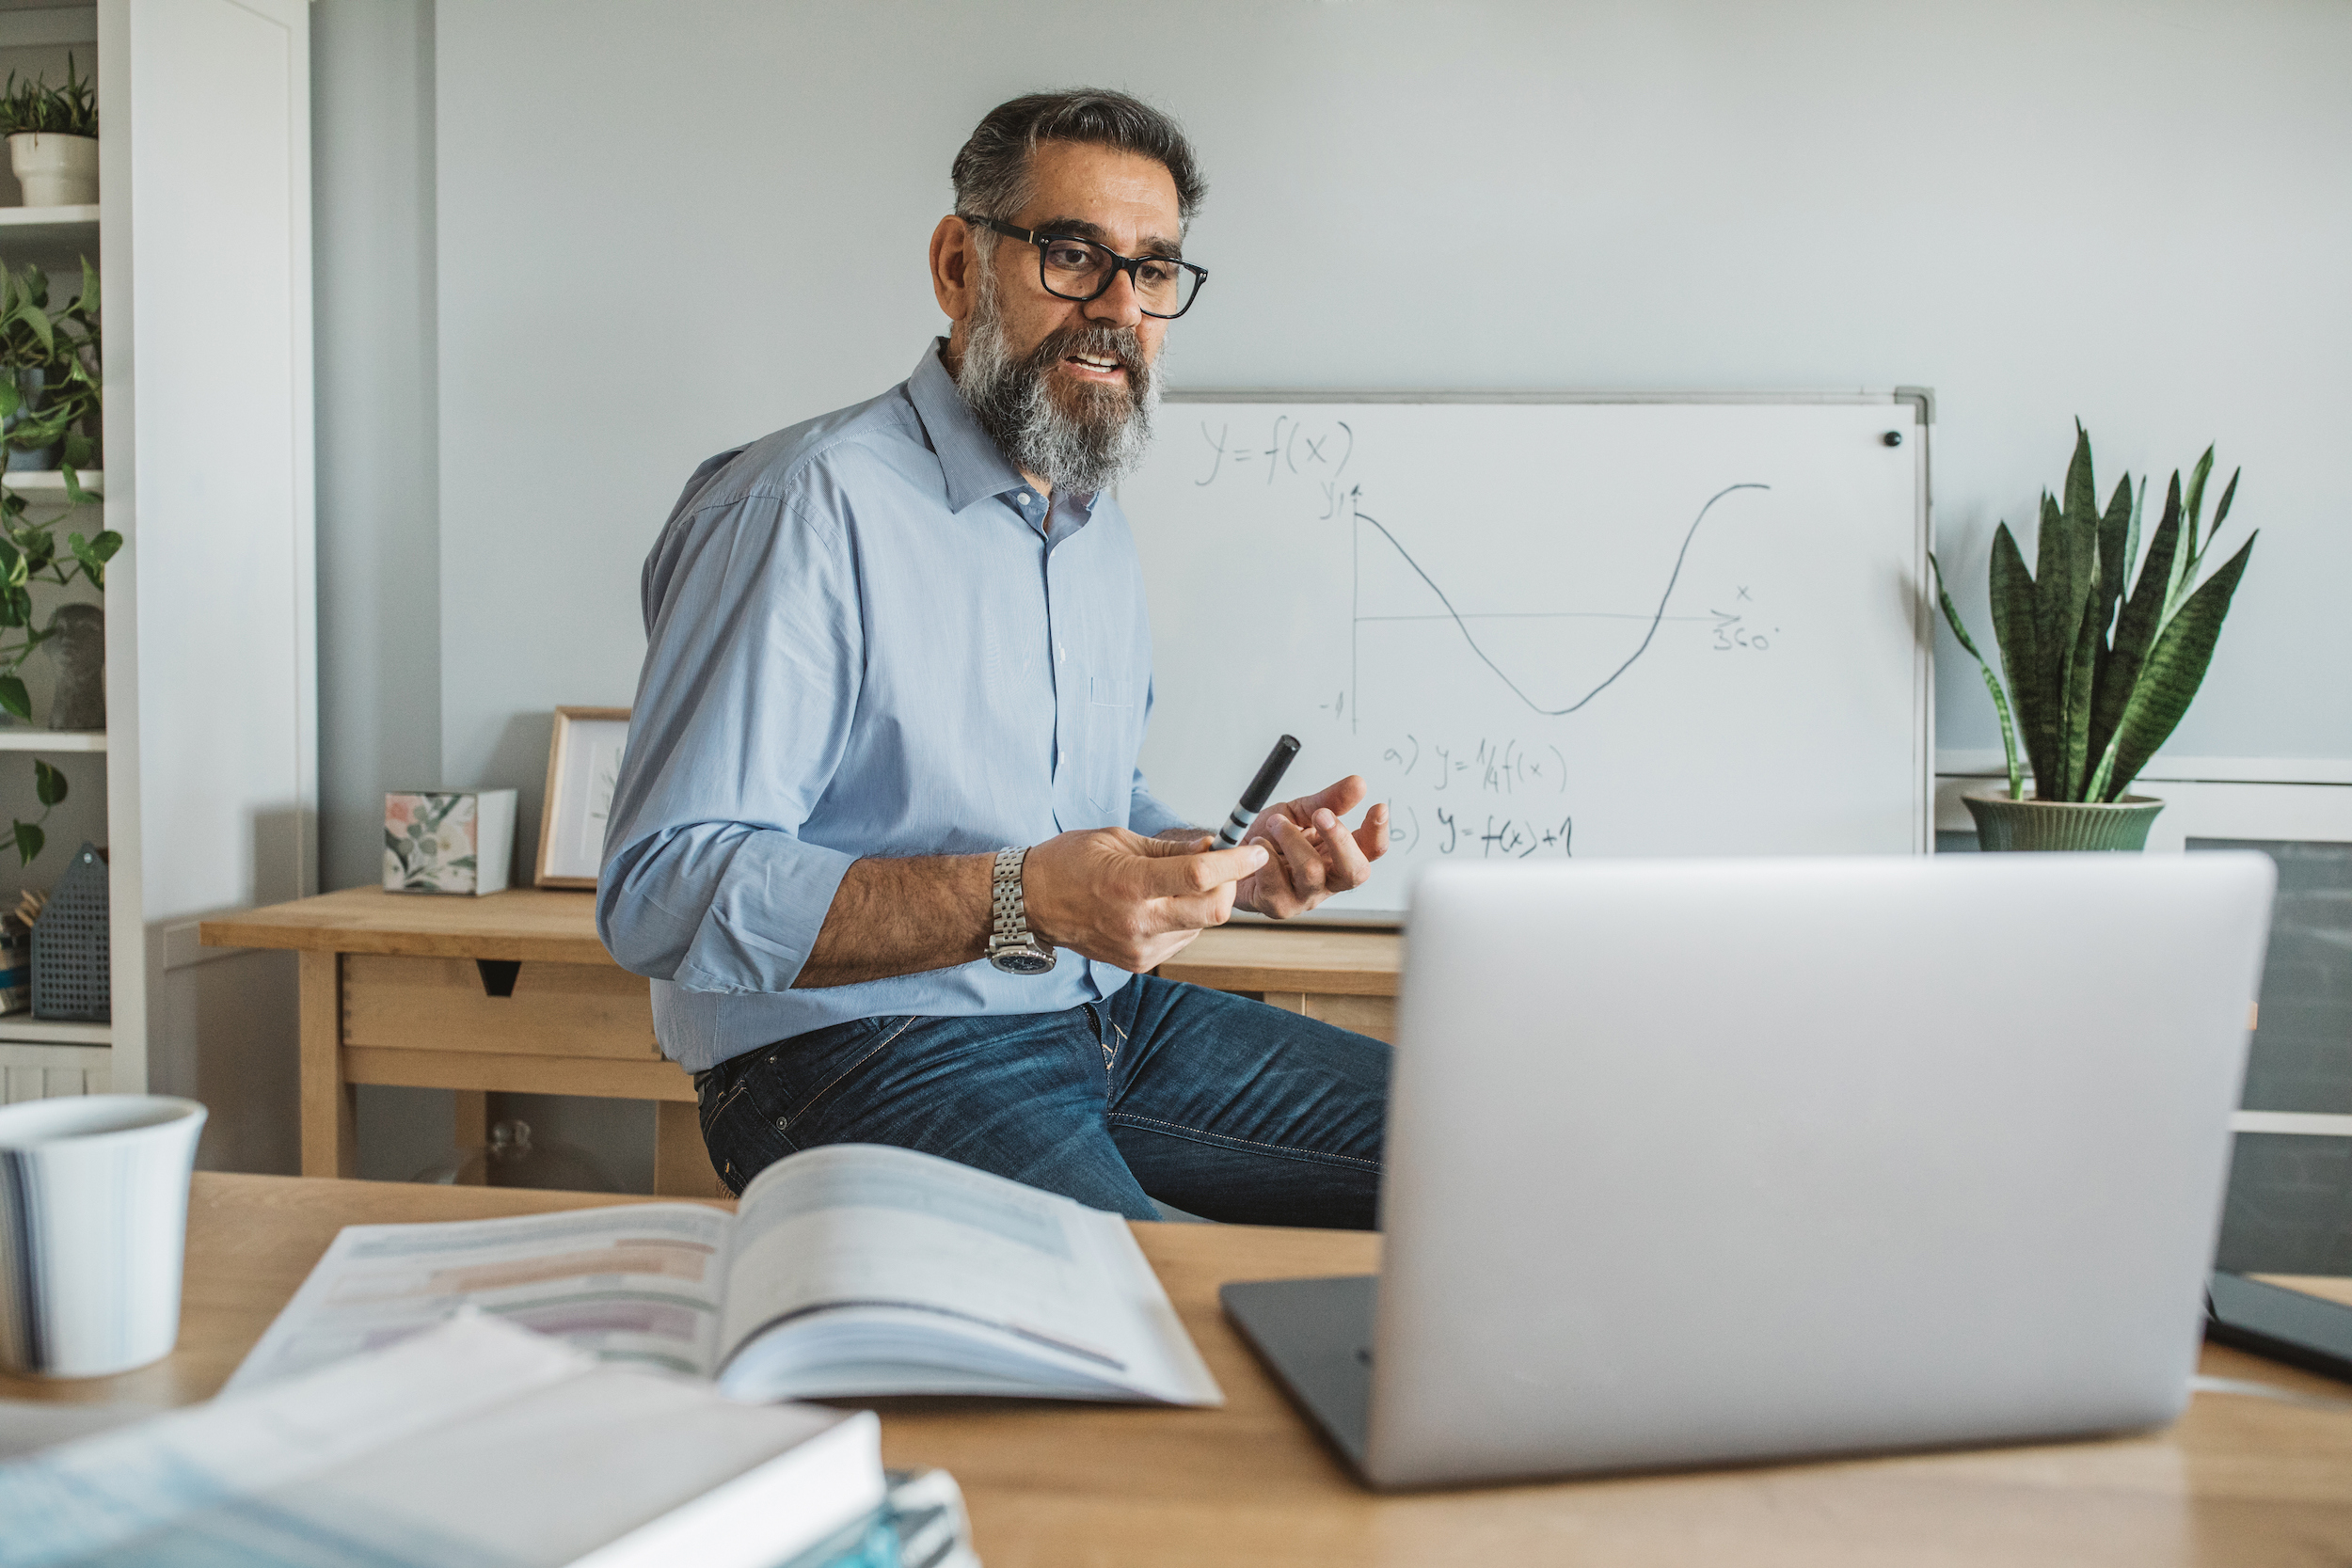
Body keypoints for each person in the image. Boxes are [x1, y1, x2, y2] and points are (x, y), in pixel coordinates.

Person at [597, 89, 1391, 1227]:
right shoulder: (801, 506)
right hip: (851, 1049)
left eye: (1155, 272)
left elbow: (1082, 803)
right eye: (1073, 255)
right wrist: (1026, 899)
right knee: (1151, 1307)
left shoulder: (1087, 514)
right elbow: (661, 891)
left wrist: (1225, 866)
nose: (1119, 305)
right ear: (958, 263)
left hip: (1105, 1018)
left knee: (1480, 1153)